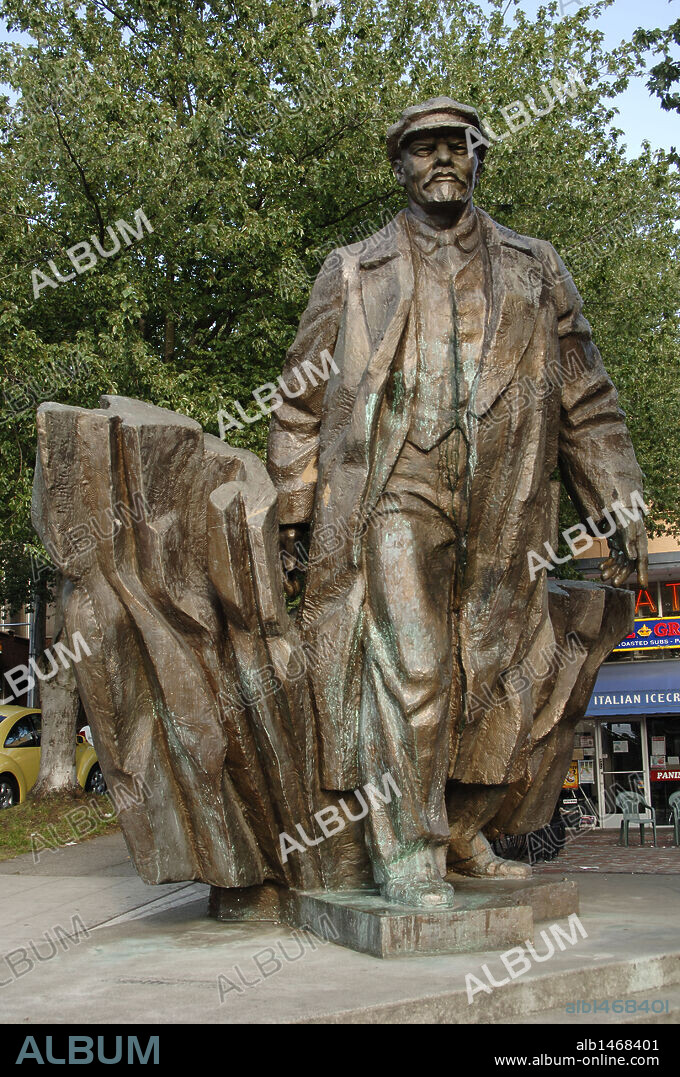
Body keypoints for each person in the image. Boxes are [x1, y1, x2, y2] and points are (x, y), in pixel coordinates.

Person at [268, 97, 647, 907]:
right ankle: (407, 846)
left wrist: (615, 494)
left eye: (458, 146)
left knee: (500, 668)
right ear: (399, 166)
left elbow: (585, 393)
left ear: (480, 159)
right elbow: (299, 400)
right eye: (424, 148)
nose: (443, 158)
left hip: (506, 495)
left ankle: (464, 828)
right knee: (416, 662)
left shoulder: (536, 266)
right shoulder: (351, 270)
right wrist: (295, 503)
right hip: (394, 486)